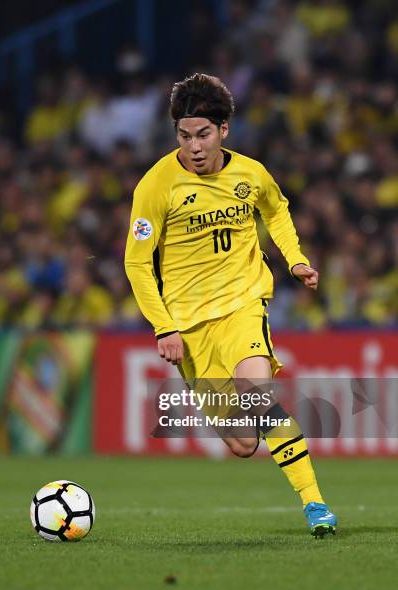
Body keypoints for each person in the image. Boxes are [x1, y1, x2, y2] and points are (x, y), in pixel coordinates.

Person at [125, 73, 337, 537]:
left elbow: (276, 209)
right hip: (188, 326)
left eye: (203, 134)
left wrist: (296, 260)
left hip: (243, 304)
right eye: (184, 136)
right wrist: (164, 327)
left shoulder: (251, 173)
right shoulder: (157, 185)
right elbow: (136, 263)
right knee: (243, 443)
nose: (194, 147)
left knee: (258, 397)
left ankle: (315, 504)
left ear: (223, 130)